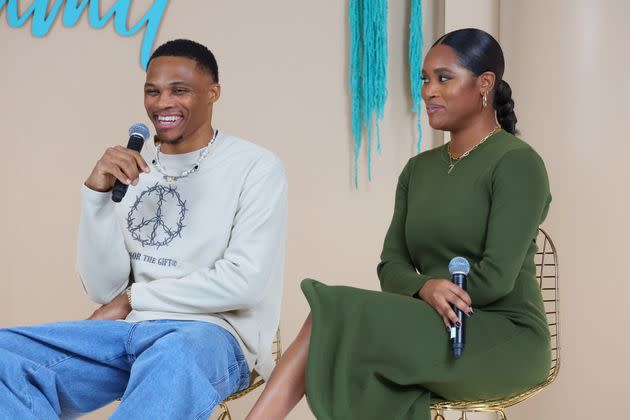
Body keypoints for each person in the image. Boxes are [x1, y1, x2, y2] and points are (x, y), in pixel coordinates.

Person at [245, 28, 552, 420]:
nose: (428, 91)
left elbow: (496, 278)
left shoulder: (517, 163)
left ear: (485, 84)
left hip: (502, 335)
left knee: (333, 315)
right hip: (432, 325)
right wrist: (425, 286)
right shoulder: (417, 170)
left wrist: (441, 294)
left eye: (444, 78)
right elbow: (391, 267)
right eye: (425, 79)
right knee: (334, 321)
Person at [0, 39, 288, 419]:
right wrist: (97, 198)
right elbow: (103, 289)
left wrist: (133, 299)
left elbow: (244, 282)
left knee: (172, 355)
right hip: (128, 333)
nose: (162, 103)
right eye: (152, 91)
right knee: (6, 356)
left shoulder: (255, 167)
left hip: (210, 335)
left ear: (213, 93)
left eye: (179, 90)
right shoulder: (133, 165)